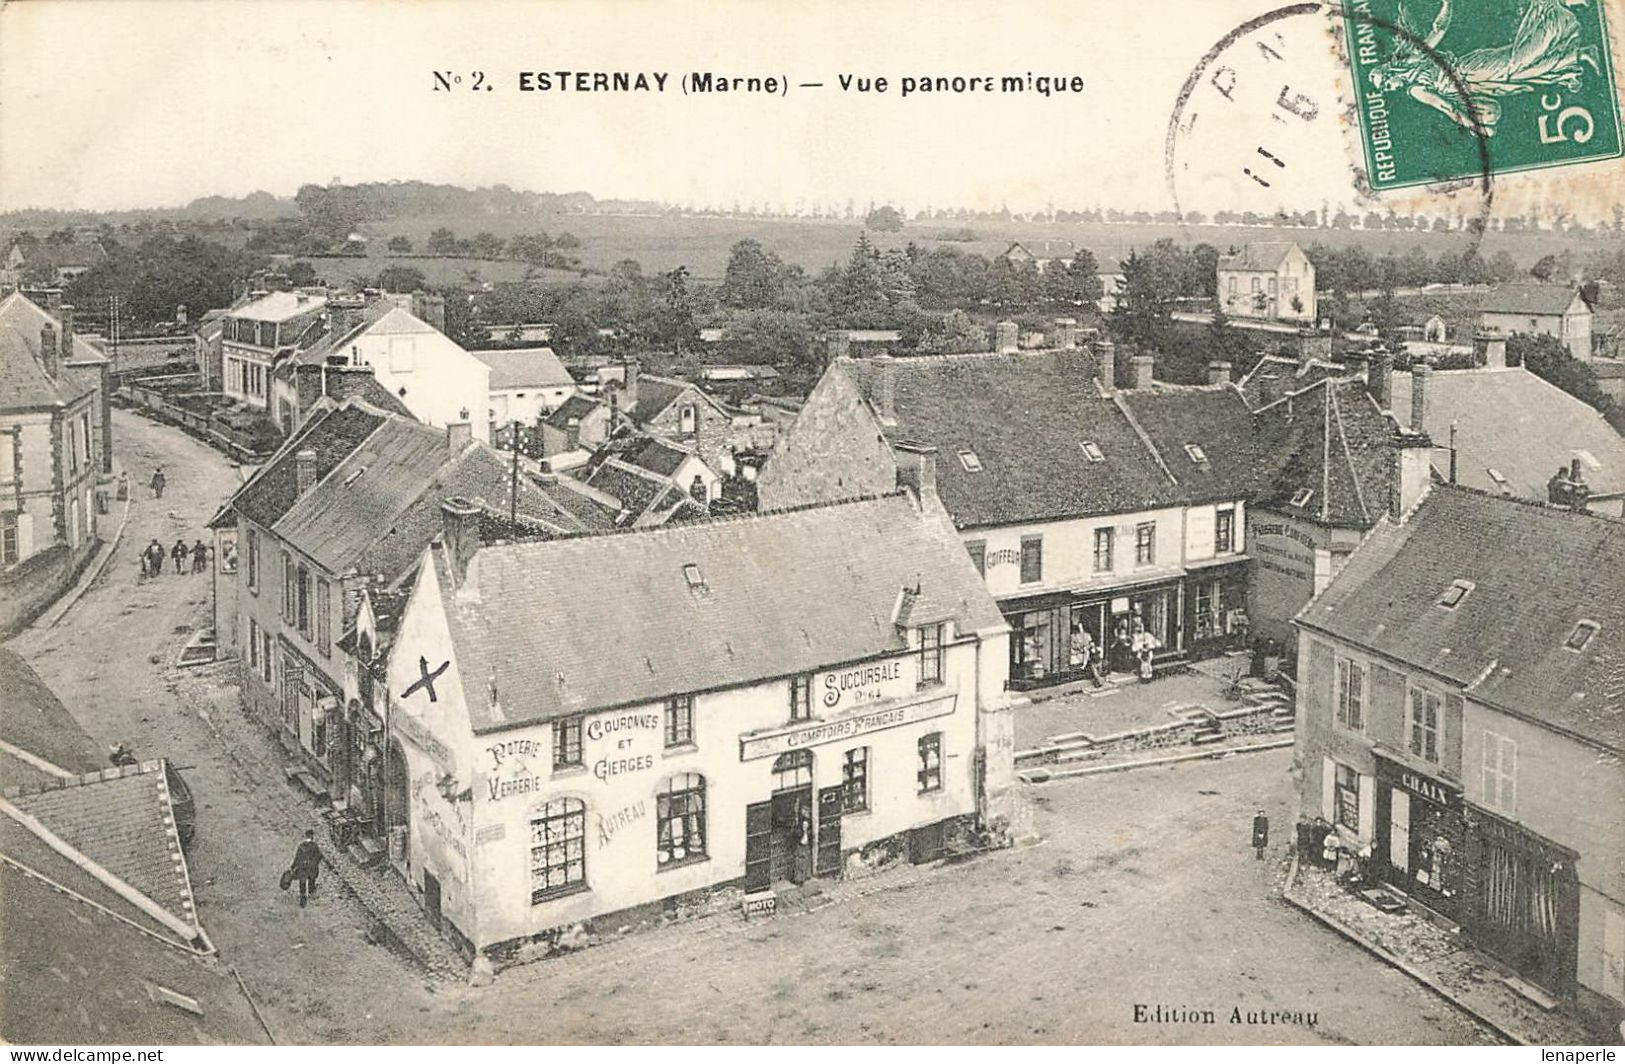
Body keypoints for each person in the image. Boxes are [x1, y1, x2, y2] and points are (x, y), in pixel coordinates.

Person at [289, 829, 322, 908]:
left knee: (302, 881)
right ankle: (311, 892)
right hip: (311, 867)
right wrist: (314, 863)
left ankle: (303, 896)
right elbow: (319, 856)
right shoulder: (314, 846)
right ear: (312, 836)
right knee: (311, 879)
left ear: (306, 836)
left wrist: (293, 866)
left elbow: (297, 857)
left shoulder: (301, 846)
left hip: (303, 867)